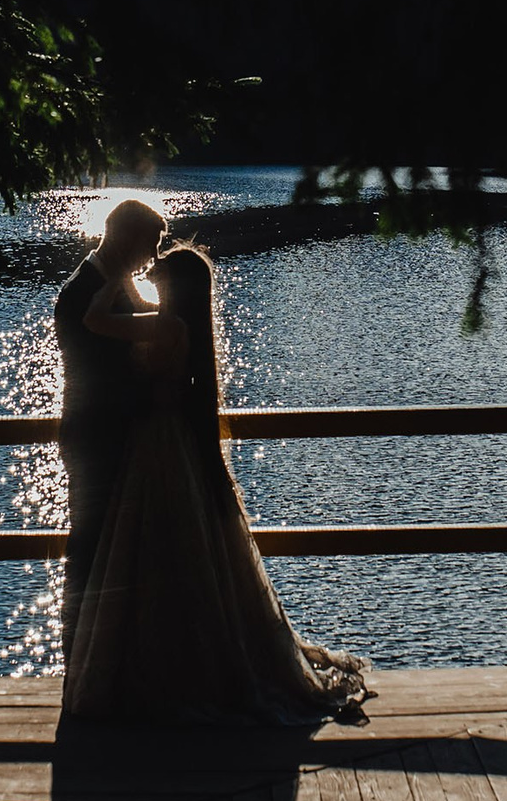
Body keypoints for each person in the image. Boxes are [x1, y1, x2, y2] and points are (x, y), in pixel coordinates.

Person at [61, 243, 371, 724]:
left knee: (152, 549)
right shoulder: (178, 325)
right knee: (182, 550)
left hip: (154, 442)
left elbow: (95, 320)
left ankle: (159, 667)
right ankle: (190, 662)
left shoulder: (164, 325)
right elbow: (133, 314)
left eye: (160, 271)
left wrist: (116, 272)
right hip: (174, 441)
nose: (151, 271)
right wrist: (129, 277)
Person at [53, 197, 167, 664]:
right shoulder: (83, 292)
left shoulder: (112, 283)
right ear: (126, 238)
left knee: (117, 544)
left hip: (113, 435)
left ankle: (113, 654)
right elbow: (107, 369)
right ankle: (79, 653)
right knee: (89, 543)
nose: (153, 257)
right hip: (96, 437)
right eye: (150, 245)